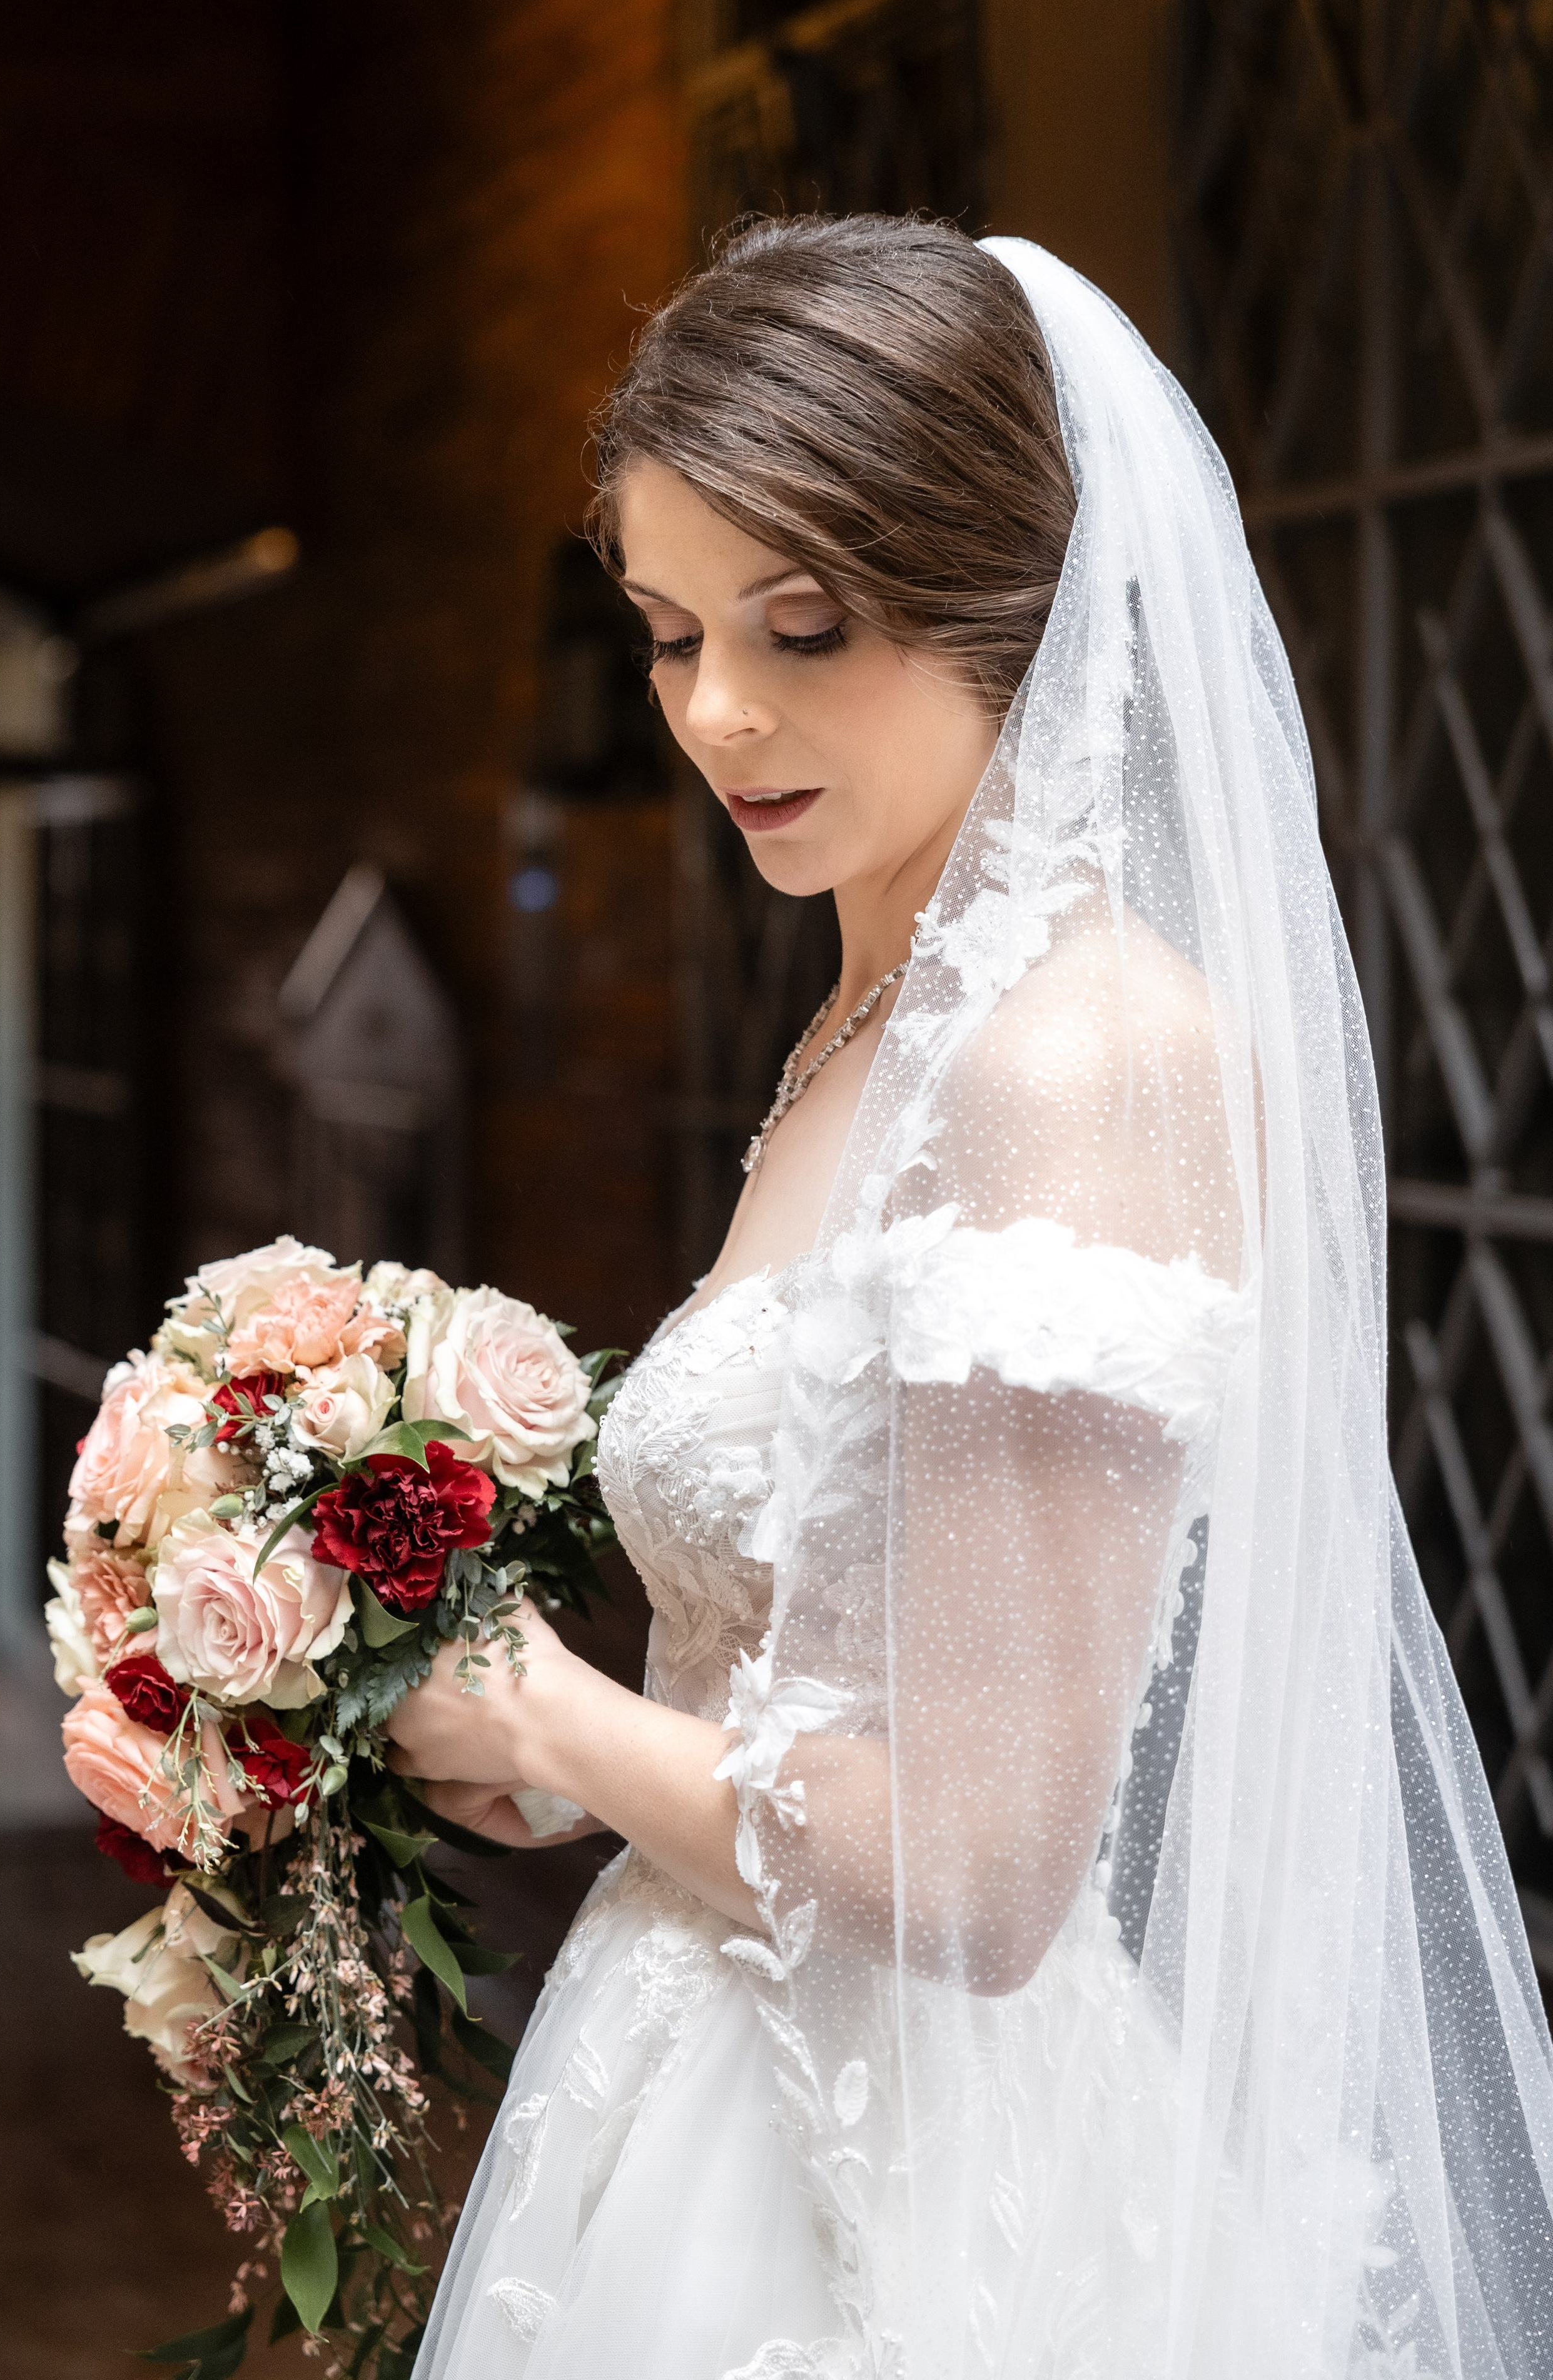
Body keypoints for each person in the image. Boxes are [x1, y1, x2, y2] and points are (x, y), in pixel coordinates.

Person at [388, 216, 1553, 2379]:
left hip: (899, 2221)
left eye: (805, 626)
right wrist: (547, 1773)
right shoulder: (871, 1017)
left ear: (1012, 610)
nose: (720, 710)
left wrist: (544, 1706)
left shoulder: (1077, 1053)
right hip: (690, 2087)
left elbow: (990, 1868)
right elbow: (804, 1665)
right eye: (669, 634)